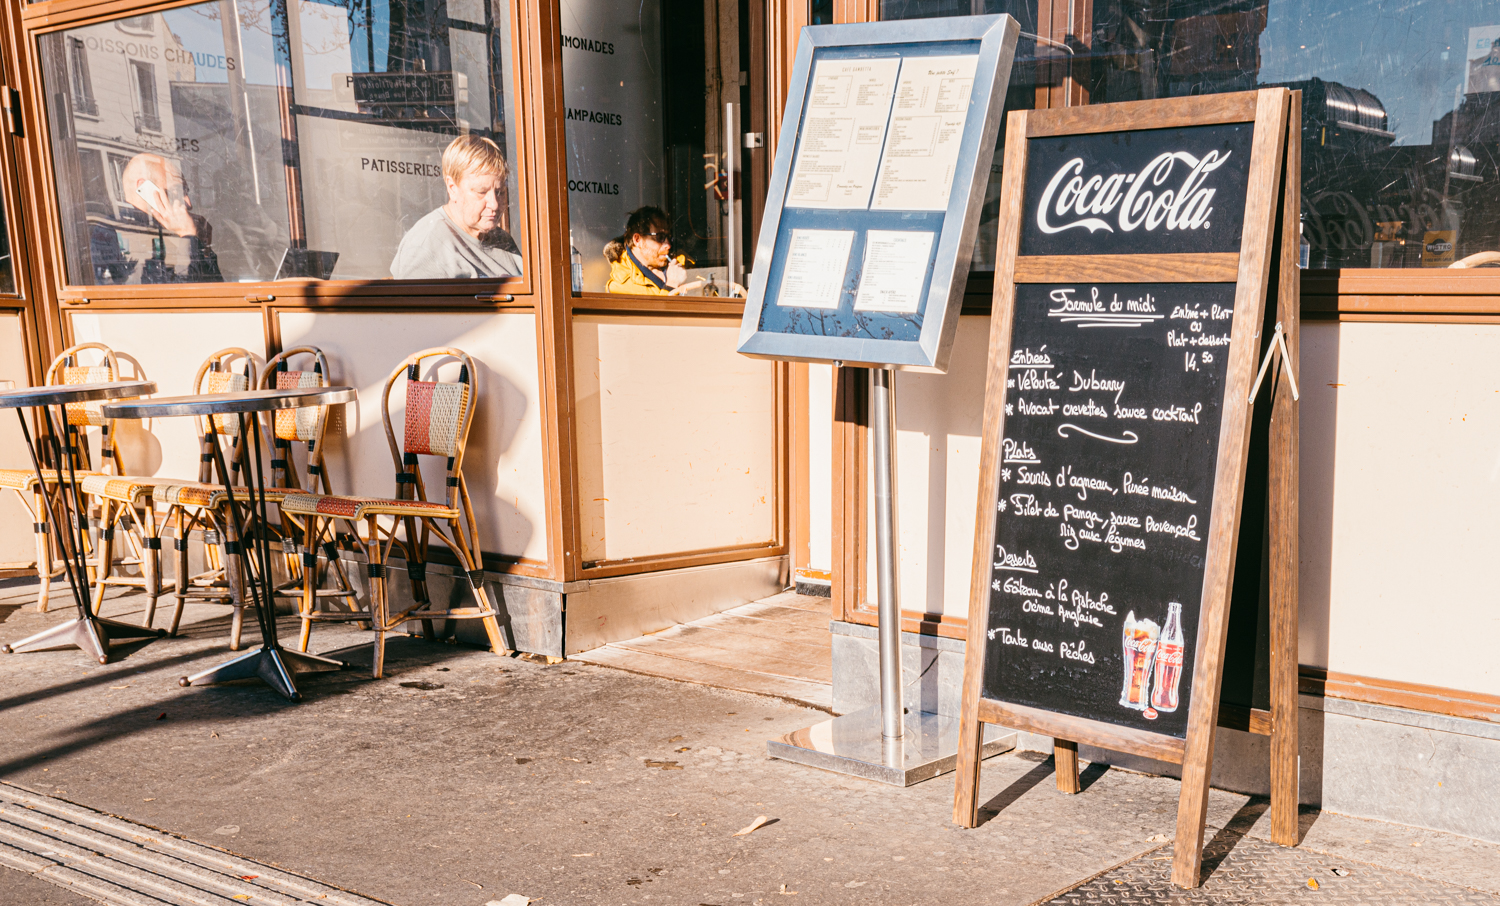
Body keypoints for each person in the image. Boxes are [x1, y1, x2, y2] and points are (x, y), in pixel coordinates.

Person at [391, 134, 523, 279]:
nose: (494, 204)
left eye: (499, 192)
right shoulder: (426, 247)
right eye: (481, 192)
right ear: (452, 188)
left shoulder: (500, 239)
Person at [121, 153, 223, 283]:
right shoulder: (117, 231)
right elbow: (187, 294)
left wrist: (203, 248)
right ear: (145, 189)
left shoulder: (166, 231)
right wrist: (188, 237)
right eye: (177, 191)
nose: (188, 203)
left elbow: (216, 292)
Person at [605, 206, 689, 294]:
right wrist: (671, 285)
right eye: (660, 237)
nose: (668, 245)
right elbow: (656, 308)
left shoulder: (678, 261)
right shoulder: (619, 286)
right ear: (638, 240)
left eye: (668, 237)